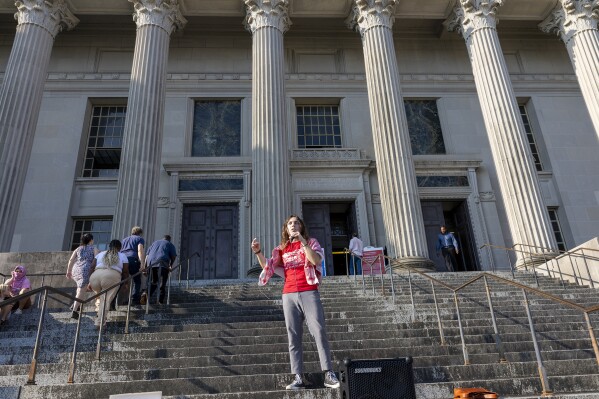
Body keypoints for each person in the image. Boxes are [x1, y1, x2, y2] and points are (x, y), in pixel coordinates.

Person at [251, 215, 340, 390]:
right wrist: (257, 252)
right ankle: (298, 377)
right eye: (290, 223)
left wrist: (303, 242)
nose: (293, 225)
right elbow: (267, 267)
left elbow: (316, 261)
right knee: (293, 336)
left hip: (309, 291)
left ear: (301, 227)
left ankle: (328, 373)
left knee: (319, 330)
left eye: (296, 223)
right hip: (289, 293)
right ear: (286, 229)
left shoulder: (311, 242)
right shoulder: (281, 249)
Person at [89, 239, 129, 329]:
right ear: (119, 247)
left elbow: (92, 266)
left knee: (100, 297)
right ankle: (100, 323)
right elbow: (125, 271)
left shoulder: (100, 254)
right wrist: (126, 283)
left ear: (109, 246)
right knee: (106, 300)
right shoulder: (122, 255)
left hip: (95, 276)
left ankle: (98, 313)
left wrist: (89, 281)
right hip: (111, 276)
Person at [66, 233, 97, 319]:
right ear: (91, 240)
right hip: (85, 269)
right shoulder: (93, 248)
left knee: (80, 288)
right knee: (81, 290)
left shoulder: (78, 249)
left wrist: (68, 271)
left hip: (76, 269)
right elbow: (96, 257)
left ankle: (75, 305)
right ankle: (74, 310)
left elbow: (71, 260)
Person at [144, 235, 177, 305]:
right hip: (162, 264)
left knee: (153, 282)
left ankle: (146, 293)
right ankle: (160, 301)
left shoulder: (154, 243)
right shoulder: (169, 244)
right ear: (169, 239)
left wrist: (145, 267)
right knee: (162, 284)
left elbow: (147, 255)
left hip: (151, 264)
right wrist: (170, 265)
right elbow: (174, 256)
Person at [120, 226, 145, 305]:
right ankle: (134, 299)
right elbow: (140, 250)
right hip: (132, 259)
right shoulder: (139, 239)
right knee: (137, 280)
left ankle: (115, 301)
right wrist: (142, 264)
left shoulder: (124, 240)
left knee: (122, 280)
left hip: (122, 260)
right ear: (140, 233)